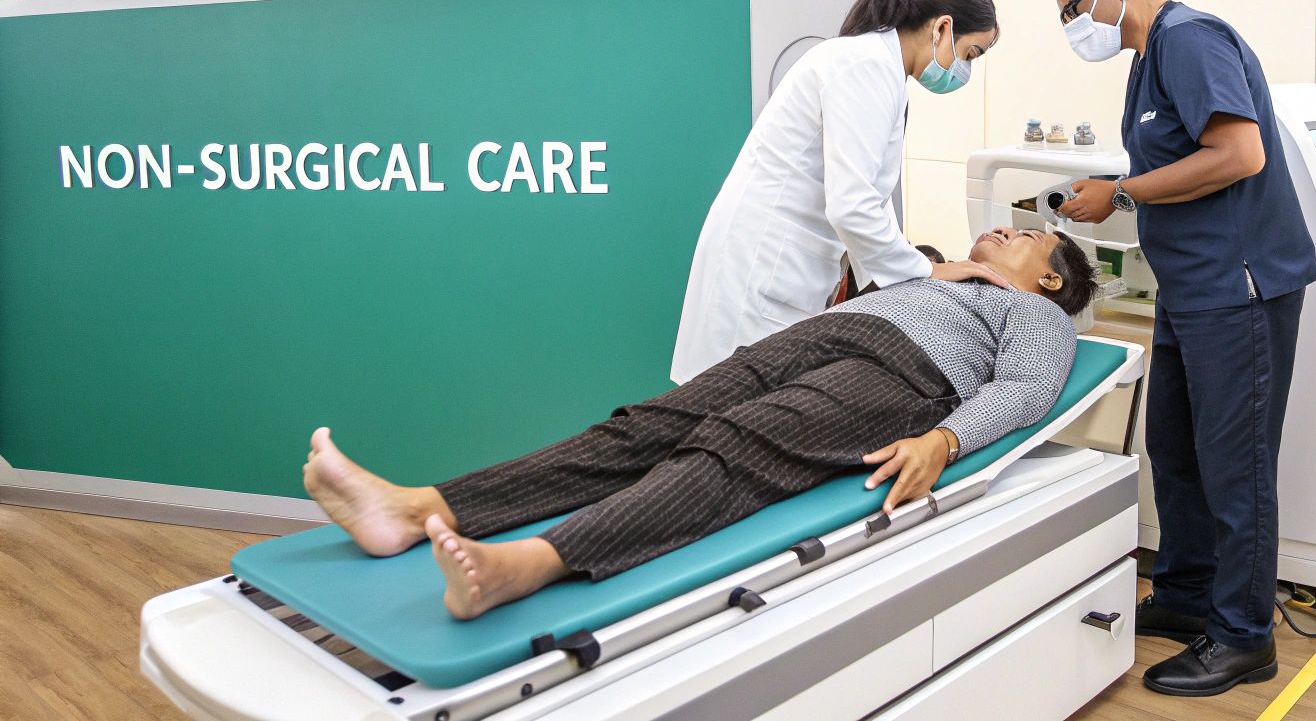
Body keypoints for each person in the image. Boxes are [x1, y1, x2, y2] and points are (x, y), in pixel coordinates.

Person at [301, 227, 1097, 620]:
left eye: (1027, 235)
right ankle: (415, 510)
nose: (1004, 231)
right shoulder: (940, 272)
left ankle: (532, 564)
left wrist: (945, 438)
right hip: (825, 337)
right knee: (647, 425)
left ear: (1050, 275)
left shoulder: (1033, 313)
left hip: (906, 376)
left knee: (733, 449)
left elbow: (1027, 390)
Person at [1052, 0, 1316, 697]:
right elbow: (1180, 155)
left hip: (1238, 287)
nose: (1076, 27)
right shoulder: (1149, 56)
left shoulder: (1189, 38)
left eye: (1073, 11)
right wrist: (1117, 183)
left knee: (1236, 465)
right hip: (1193, 287)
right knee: (1174, 446)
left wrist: (1124, 191)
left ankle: (1243, 637)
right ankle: (1187, 591)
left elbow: (1239, 154)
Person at [672, 0, 1007, 383]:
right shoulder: (864, 66)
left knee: (742, 408)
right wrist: (926, 270)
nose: (964, 71)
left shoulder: (882, 72)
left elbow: (866, 196)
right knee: (726, 406)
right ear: (942, 27)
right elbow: (852, 206)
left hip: (785, 263)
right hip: (762, 264)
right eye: (970, 54)